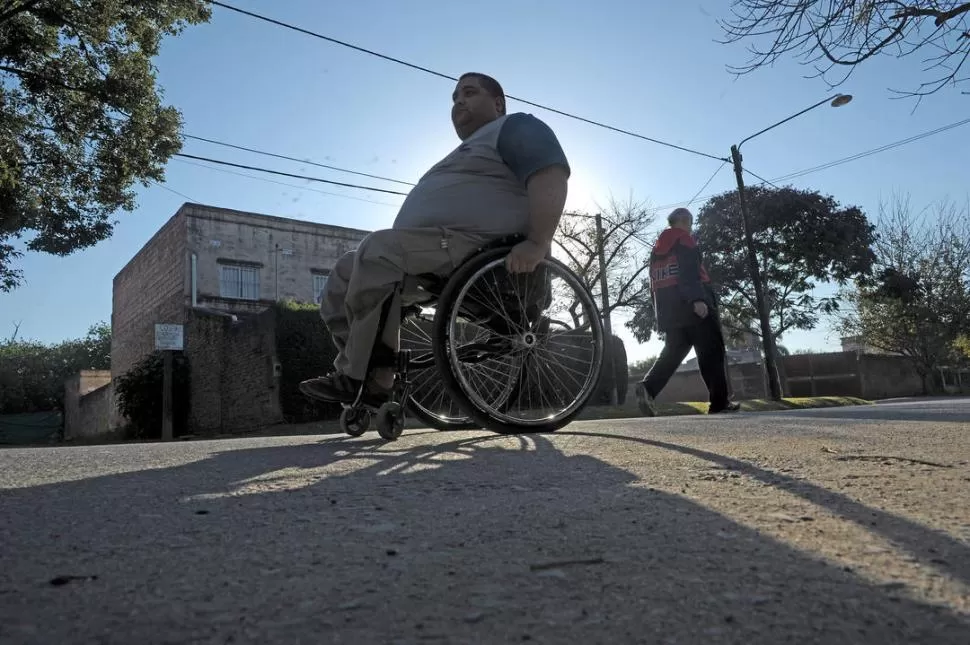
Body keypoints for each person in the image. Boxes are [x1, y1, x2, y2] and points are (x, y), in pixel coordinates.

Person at [300, 72, 570, 405]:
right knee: (344, 272)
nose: (459, 101)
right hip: (438, 252)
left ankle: (356, 376)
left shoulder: (514, 126)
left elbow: (550, 171)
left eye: (469, 93)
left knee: (377, 250)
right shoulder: (466, 151)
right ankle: (376, 377)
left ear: (497, 103)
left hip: (479, 248)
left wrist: (538, 242)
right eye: (455, 97)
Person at [636, 207, 740, 416]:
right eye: (689, 221)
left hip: (670, 310)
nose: (690, 226)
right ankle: (719, 403)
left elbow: (654, 282)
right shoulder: (684, 240)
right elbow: (689, 271)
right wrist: (698, 299)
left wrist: (660, 313)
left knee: (673, 353)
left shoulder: (657, 249)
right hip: (694, 305)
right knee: (711, 351)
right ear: (681, 221)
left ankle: (648, 388)